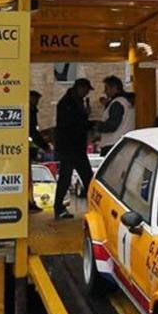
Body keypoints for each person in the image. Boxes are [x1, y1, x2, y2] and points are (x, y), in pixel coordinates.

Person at [53, 78, 95, 219]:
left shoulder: (73, 102)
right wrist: (87, 120)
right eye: (86, 90)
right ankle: (59, 207)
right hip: (71, 147)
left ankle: (59, 207)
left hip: (73, 147)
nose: (86, 93)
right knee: (83, 177)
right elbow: (71, 124)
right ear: (80, 88)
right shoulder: (69, 104)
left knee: (72, 177)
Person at [97, 75, 135, 153]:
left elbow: (112, 125)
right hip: (125, 143)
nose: (105, 91)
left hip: (113, 144)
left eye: (106, 88)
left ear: (114, 88)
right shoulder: (128, 102)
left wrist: (98, 126)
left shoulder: (117, 103)